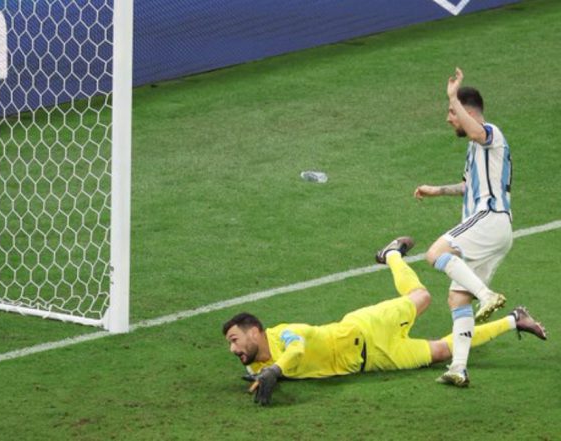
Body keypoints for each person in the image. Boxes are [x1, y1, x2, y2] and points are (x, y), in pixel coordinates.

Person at [222, 237, 546, 405]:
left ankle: (391, 254)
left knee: (422, 298)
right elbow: (262, 373)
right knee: (442, 353)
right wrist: (266, 375)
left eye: (235, 339)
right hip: (374, 361)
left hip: (366, 327)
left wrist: (275, 372)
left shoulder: (285, 335)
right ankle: (515, 320)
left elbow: (297, 350)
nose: (233, 348)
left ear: (256, 331)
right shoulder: (254, 367)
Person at [414, 67, 513, 386]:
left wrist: (452, 95)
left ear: (468, 112)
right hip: (495, 230)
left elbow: (475, 131)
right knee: (457, 298)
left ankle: (486, 295)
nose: (448, 119)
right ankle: (458, 367)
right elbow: (467, 187)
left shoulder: (491, 134)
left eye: (452, 113)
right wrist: (437, 190)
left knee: (435, 253)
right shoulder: (476, 151)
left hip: (490, 218)